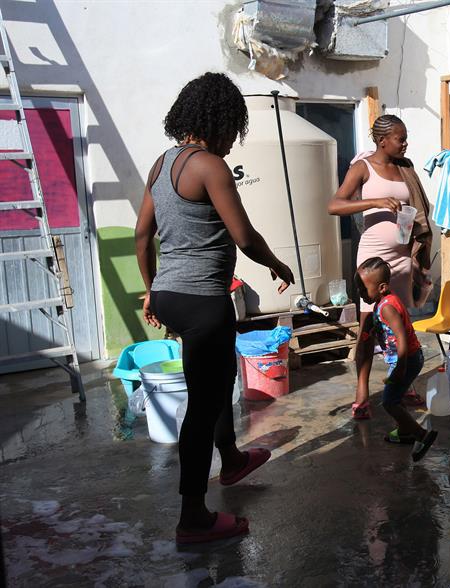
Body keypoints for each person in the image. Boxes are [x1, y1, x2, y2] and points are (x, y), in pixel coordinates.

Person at [135, 72, 295, 545]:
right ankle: (193, 518)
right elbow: (244, 236)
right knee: (203, 406)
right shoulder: (209, 166)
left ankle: (232, 459)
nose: (232, 142)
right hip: (204, 299)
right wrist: (278, 263)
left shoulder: (161, 165)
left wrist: (151, 290)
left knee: (218, 377)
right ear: (221, 120)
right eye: (232, 128)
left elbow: (142, 235)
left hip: (170, 294)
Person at [328, 114, 433, 420]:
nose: (405, 143)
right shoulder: (363, 168)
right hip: (373, 258)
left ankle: (402, 383)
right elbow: (334, 205)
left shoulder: (406, 168)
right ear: (382, 140)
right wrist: (374, 203)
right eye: (400, 138)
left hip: (402, 258)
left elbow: (418, 206)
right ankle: (362, 393)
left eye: (405, 137)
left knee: (398, 323)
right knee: (367, 327)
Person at [354, 257, 437, 461]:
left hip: (406, 358)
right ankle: (404, 432)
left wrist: (400, 366)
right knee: (396, 397)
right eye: (358, 289)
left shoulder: (386, 308)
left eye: (364, 289)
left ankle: (421, 435)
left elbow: (401, 338)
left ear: (381, 287)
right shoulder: (384, 302)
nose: (360, 294)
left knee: (389, 402)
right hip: (407, 358)